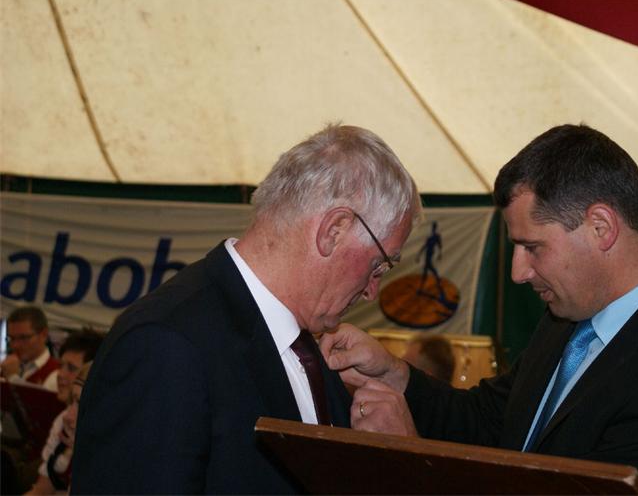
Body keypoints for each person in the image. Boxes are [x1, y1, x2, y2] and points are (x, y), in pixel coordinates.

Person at [322, 124, 638, 494]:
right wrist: (395, 376)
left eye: (532, 247)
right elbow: (495, 423)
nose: (518, 272)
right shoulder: (572, 312)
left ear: (600, 227)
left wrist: (409, 460)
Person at [71, 124, 421, 494]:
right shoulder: (164, 344)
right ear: (333, 230)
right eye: (378, 265)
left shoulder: (307, 351)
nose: (371, 291)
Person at [26, 330, 102, 495]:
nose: (60, 374)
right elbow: (41, 490)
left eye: (71, 368)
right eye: (61, 365)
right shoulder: (63, 419)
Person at [1, 306, 59, 392]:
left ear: (44, 334)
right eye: (12, 338)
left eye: (23, 338)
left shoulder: (57, 373)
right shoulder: (6, 367)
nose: (15, 345)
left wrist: (12, 378)